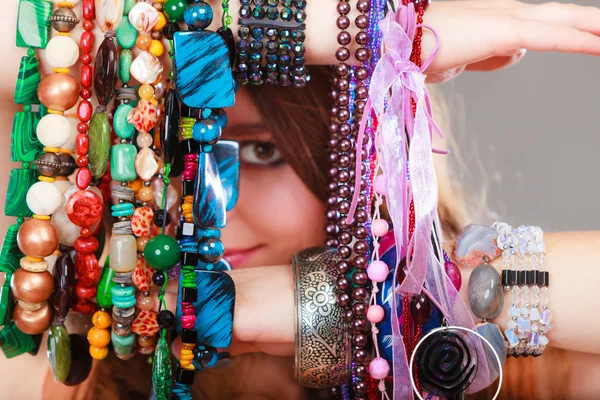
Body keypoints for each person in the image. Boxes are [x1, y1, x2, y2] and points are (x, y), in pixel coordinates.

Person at [1, 1, 600, 399]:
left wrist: (343, 308)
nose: (205, 202)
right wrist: (360, 26)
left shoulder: (535, 374)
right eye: (152, 145)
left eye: (261, 152)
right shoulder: (57, 368)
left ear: (369, 159)